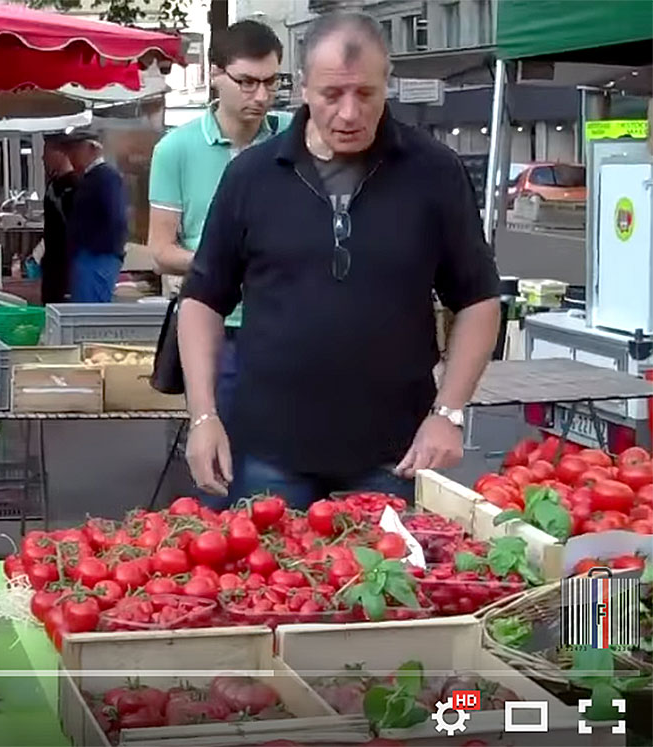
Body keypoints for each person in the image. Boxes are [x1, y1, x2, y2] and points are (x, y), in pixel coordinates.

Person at [178, 11, 500, 508]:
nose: (349, 114)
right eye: (332, 95)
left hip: (395, 455)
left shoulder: (435, 172)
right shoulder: (252, 176)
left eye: (365, 94)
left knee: (381, 585)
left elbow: (478, 299)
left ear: (386, 84)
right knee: (273, 585)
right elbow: (201, 300)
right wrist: (203, 416)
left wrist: (449, 412)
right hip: (268, 452)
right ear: (304, 88)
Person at [149, 20, 290, 435]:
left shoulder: (294, 138)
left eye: (271, 82)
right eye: (246, 82)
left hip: (290, 322)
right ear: (214, 74)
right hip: (217, 327)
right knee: (223, 453)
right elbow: (160, 250)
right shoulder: (176, 149)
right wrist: (227, 265)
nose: (261, 96)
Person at [60, 129, 128, 303]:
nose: (72, 156)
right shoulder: (89, 178)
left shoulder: (106, 176)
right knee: (83, 308)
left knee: (91, 311)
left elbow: (116, 218)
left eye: (76, 150)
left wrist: (107, 250)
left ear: (92, 148)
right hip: (87, 256)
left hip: (98, 257)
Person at [40, 136, 79, 304]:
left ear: (60, 153)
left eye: (46, 153)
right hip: (51, 259)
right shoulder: (54, 183)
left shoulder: (73, 185)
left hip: (65, 262)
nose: (43, 158)